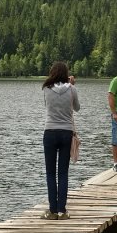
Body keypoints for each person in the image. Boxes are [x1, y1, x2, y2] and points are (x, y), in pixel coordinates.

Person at [41, 61, 80, 220]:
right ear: (66, 73)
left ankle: (51, 211)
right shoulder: (72, 89)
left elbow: (47, 106)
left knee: (50, 173)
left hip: (49, 131)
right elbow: (77, 108)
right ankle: (62, 211)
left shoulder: (46, 88)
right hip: (66, 132)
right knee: (63, 173)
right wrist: (71, 85)